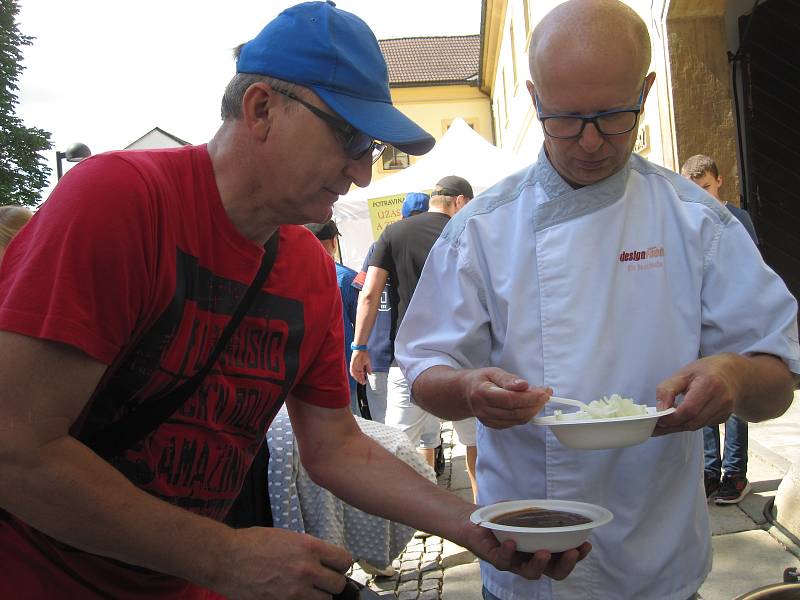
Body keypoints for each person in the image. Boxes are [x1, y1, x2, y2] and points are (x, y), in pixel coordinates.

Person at [0, 3, 588, 599]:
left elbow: (334, 447)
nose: (363, 172)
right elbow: (16, 449)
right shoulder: (121, 200)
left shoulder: (305, 267)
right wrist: (224, 555)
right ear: (261, 109)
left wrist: (477, 527)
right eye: (353, 138)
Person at [394, 1, 800, 599]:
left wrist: (735, 375)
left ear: (648, 89)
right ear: (534, 99)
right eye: (565, 119)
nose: (590, 142)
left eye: (614, 116)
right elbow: (423, 369)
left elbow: (778, 380)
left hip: (655, 559)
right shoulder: (481, 229)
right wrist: (466, 389)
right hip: (525, 556)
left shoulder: (698, 226)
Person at [350, 177, 479, 501]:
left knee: (396, 445)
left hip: (411, 358)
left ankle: (407, 517)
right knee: (477, 446)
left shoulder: (394, 232)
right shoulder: (468, 231)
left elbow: (369, 295)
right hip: (464, 356)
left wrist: (359, 347)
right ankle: (483, 516)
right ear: (460, 201)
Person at [681, 153, 758, 504]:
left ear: (720, 182)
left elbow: (753, 272)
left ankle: (735, 473)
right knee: (702, 393)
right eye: (693, 189)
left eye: (707, 188)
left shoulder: (738, 218)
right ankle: (710, 470)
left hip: (734, 323)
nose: (701, 195)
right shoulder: (685, 221)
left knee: (734, 397)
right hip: (697, 323)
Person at [351, 192, 429, 424]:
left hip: (377, 352)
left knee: (385, 430)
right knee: (424, 436)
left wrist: (359, 345)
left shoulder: (381, 244)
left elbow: (363, 293)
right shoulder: (429, 243)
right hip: (414, 353)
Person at [305, 219, 360, 415]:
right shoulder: (347, 278)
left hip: (304, 376)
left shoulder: (292, 275)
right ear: (334, 242)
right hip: (342, 371)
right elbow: (362, 323)